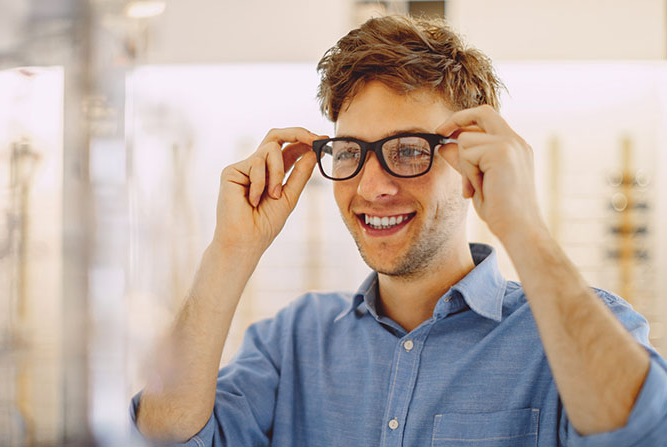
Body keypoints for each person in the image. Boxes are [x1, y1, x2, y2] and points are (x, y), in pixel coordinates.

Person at [131, 15, 667, 446]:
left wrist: (523, 226)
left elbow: (644, 432)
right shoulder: (292, 342)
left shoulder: (581, 334)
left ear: (472, 158)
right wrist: (230, 250)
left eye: (408, 150)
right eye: (349, 153)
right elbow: (162, 436)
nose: (371, 187)